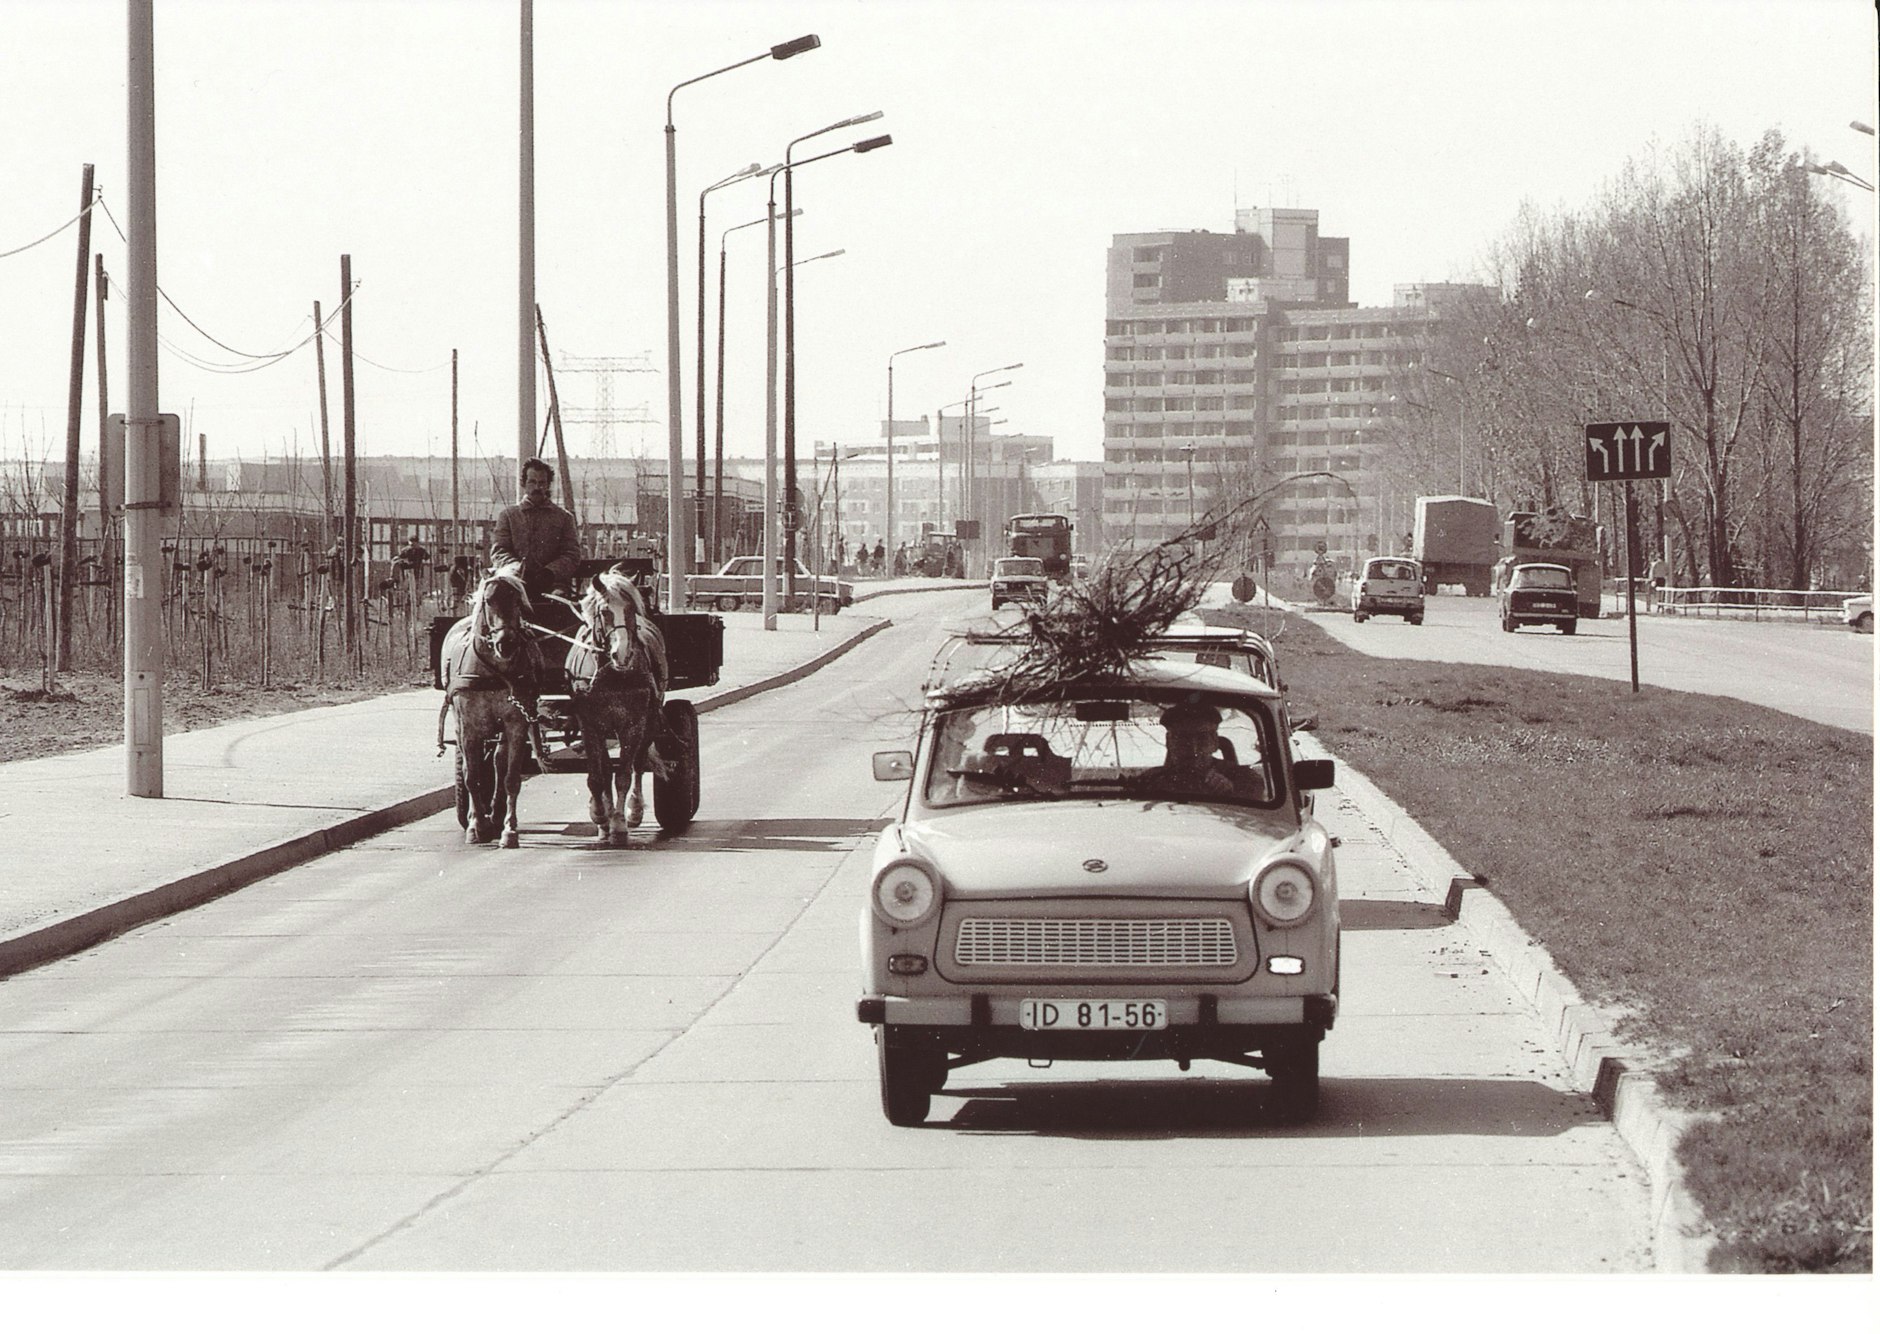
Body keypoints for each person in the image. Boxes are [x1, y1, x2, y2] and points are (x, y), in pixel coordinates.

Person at [492, 457, 583, 631]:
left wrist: (550, 572)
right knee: (503, 616)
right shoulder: (508, 516)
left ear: (548, 485)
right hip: (516, 584)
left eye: (542, 483)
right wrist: (518, 570)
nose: (537, 487)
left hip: (553, 586)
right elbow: (499, 551)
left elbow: (572, 553)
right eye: (532, 482)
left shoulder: (563, 517)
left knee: (560, 616)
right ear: (523, 484)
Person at [1131, 702, 1250, 800]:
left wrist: (1231, 792)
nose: (1194, 749)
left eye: (1202, 738)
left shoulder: (1241, 777)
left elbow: (1254, 806)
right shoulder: (1150, 780)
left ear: (1214, 742)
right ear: (1169, 742)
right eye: (1183, 739)